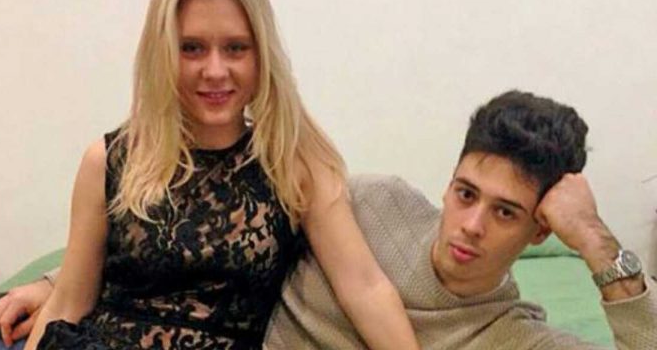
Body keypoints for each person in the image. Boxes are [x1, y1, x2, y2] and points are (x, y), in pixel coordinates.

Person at [0, 0, 419, 350]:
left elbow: (365, 287)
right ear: (162, 53)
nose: (215, 70)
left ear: (261, 55)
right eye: (192, 48)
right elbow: (70, 303)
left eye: (235, 48)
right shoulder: (107, 161)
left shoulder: (294, 163)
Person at [266, 90, 657, 349]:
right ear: (449, 184)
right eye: (466, 194)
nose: (471, 225)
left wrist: (593, 239)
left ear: (541, 230)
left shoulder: (514, 337)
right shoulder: (369, 205)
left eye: (505, 212)